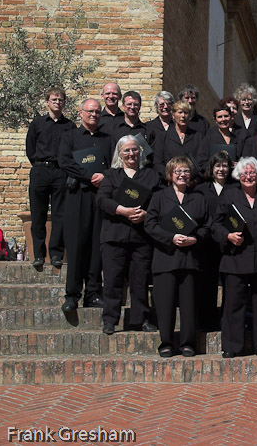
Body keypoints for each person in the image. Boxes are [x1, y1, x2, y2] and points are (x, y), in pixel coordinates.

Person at [212, 157, 257, 357]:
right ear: (238, 176)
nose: (248, 176)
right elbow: (215, 225)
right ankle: (232, 347)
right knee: (234, 306)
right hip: (235, 259)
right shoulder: (229, 195)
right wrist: (227, 236)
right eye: (244, 173)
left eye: (252, 172)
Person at [96, 135, 163, 335]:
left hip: (141, 237)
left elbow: (160, 201)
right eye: (126, 150)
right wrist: (121, 210)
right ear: (120, 153)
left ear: (140, 152)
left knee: (140, 279)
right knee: (112, 280)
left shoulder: (151, 175)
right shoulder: (111, 175)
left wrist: (147, 214)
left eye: (134, 149)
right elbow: (101, 200)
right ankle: (110, 320)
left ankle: (140, 319)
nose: (131, 154)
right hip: (114, 236)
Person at [144, 156, 209, 358]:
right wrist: (171, 237)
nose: (182, 175)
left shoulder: (198, 198)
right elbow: (150, 225)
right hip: (165, 258)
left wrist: (195, 239)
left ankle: (188, 343)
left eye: (186, 171)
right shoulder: (159, 197)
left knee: (189, 304)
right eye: (178, 172)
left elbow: (208, 226)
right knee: (165, 305)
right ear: (170, 175)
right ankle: (166, 342)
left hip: (189, 259)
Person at [58, 98, 113, 311]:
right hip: (77, 196)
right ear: (81, 113)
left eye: (98, 112)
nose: (94, 115)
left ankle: (93, 293)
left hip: (100, 197)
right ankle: (72, 295)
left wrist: (104, 176)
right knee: (76, 245)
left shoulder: (107, 139)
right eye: (90, 111)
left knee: (96, 246)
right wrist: (89, 176)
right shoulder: (69, 137)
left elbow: (115, 164)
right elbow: (64, 162)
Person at [26, 86, 76, 270]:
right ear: (47, 102)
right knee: (37, 214)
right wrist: (39, 165)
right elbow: (30, 149)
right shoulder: (37, 123)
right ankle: (38, 254)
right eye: (54, 100)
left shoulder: (70, 126)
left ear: (64, 103)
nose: (57, 102)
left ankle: (56, 254)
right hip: (40, 171)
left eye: (60, 100)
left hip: (61, 173)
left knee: (60, 215)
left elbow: (73, 150)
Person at [194, 150, 235, 330]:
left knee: (230, 284)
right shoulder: (201, 190)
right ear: (211, 168)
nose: (221, 169)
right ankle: (207, 321)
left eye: (224, 166)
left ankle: (227, 321)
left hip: (229, 243)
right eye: (217, 166)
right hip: (207, 244)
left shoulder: (236, 188)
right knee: (207, 283)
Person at [155, 100, 203, 179]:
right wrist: (169, 177)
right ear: (173, 115)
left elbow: (201, 161)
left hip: (192, 182)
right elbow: (157, 162)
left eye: (186, 113)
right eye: (180, 112)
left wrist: (192, 179)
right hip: (169, 183)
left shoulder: (198, 136)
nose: (183, 116)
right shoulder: (163, 137)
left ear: (190, 116)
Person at [111, 91, 157, 166]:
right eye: (129, 104)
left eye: (135, 104)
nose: (132, 107)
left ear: (140, 107)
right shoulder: (115, 130)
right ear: (123, 106)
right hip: (119, 173)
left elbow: (152, 157)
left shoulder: (148, 130)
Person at [197, 105, 240, 172]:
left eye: (226, 116)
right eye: (220, 117)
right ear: (215, 120)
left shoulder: (239, 139)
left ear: (231, 117)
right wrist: (215, 166)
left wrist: (239, 165)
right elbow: (201, 162)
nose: (223, 119)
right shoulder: (208, 140)